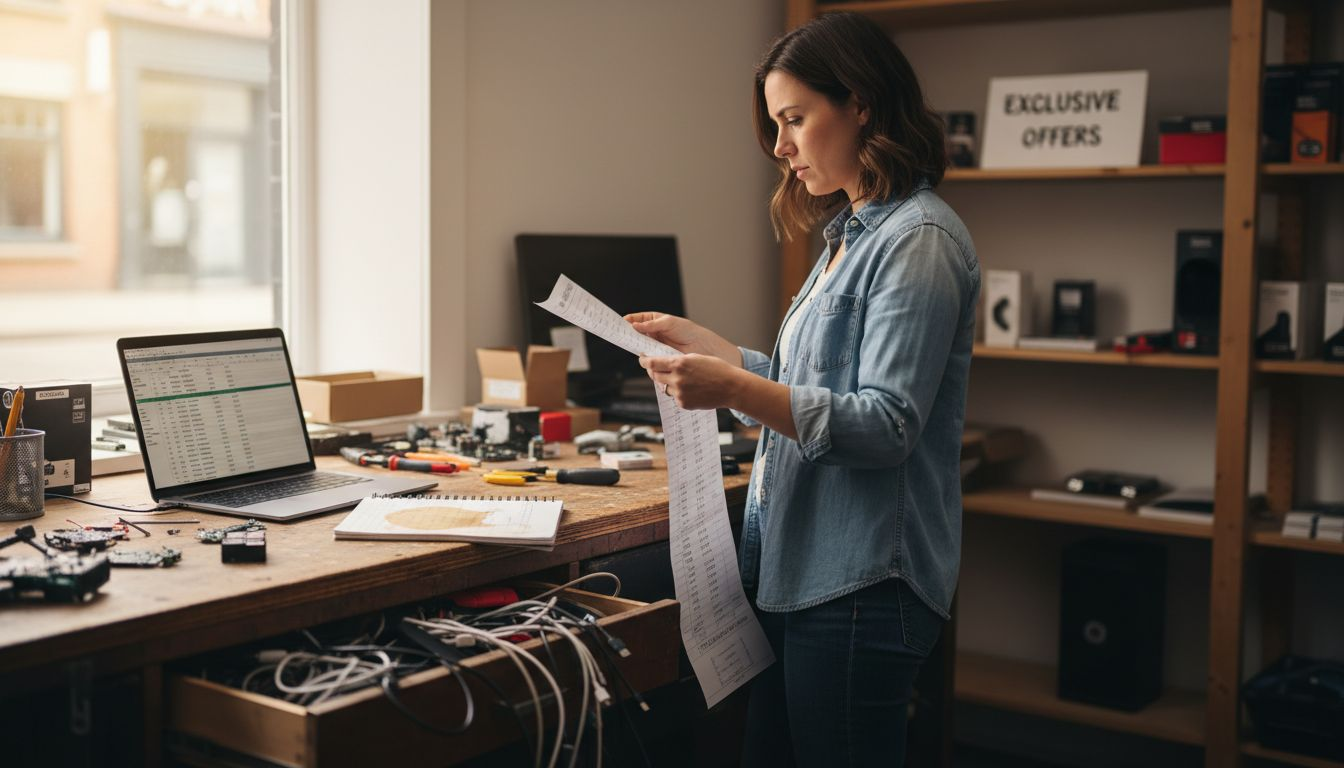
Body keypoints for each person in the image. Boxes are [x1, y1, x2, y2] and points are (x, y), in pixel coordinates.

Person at [626, 11, 979, 767]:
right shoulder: (852, 234)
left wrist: (732, 387)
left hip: (860, 585)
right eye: (776, 124)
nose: (780, 147)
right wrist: (718, 354)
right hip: (806, 573)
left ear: (861, 104)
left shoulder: (918, 239)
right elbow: (812, 387)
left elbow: (885, 425)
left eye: (794, 119)